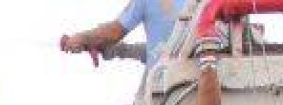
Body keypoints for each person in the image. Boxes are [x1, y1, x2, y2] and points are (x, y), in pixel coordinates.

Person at [61, 0, 191, 67]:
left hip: (164, 87)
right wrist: (117, 50)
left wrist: (82, 38)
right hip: (204, 78)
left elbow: (114, 32)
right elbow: (160, 49)